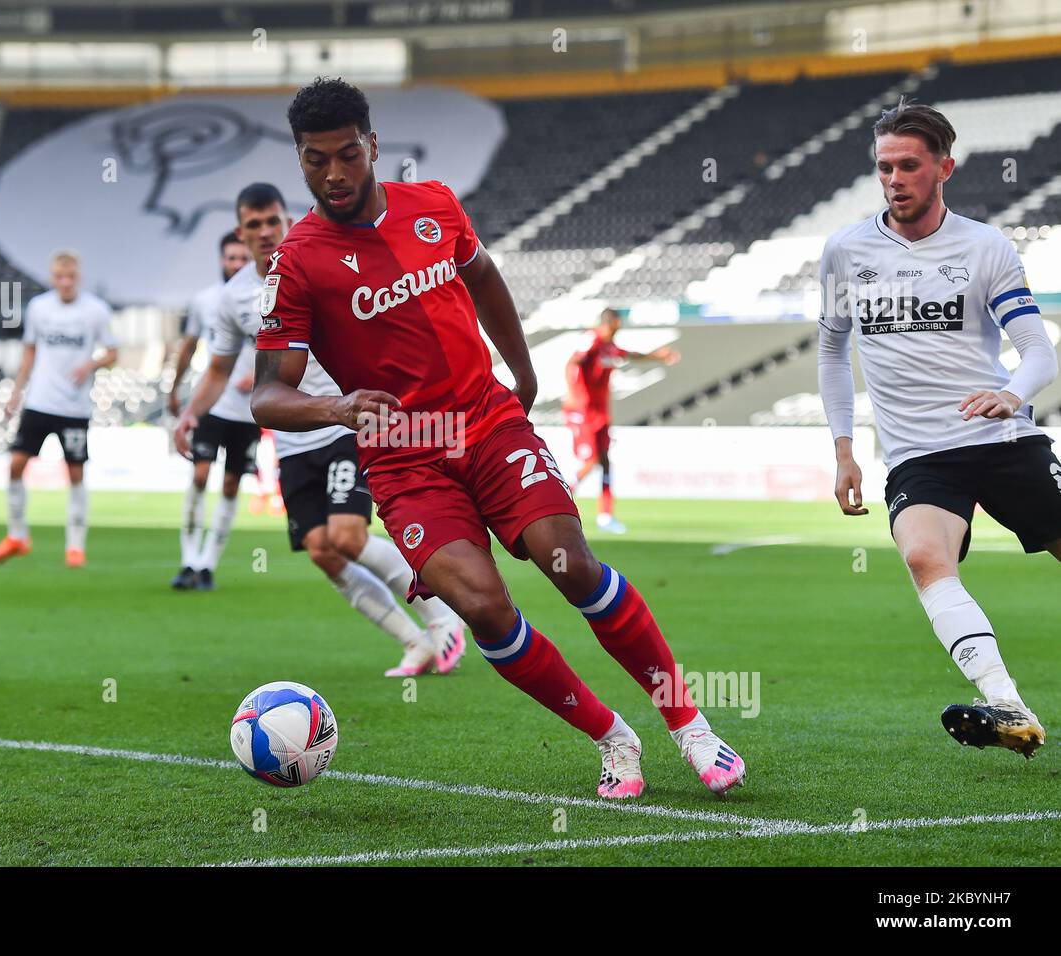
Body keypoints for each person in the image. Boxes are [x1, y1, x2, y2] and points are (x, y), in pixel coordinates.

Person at [250, 78, 746, 797]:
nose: (333, 174)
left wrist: (522, 371)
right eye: (314, 159)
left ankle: (690, 726)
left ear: (373, 146)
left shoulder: (435, 206)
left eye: (347, 155)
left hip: (485, 421)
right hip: (404, 460)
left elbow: (483, 278)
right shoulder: (296, 262)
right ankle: (613, 738)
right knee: (483, 607)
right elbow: (268, 392)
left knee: (569, 564)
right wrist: (336, 408)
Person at [818, 98, 1059, 758]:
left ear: (944, 168)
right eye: (884, 167)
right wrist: (843, 449)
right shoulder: (845, 252)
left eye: (909, 166)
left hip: (1002, 439)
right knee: (925, 556)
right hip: (920, 453)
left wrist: (1011, 395)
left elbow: (1039, 350)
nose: (894, 179)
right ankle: (1008, 707)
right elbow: (833, 350)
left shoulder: (985, 247)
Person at [176, 182, 465, 676]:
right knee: (321, 552)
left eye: (273, 222)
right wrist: (189, 412)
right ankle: (413, 641)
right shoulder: (232, 298)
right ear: (241, 232)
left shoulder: (317, 265)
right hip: (292, 440)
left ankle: (443, 618)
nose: (266, 233)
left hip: (343, 423)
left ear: (286, 222)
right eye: (254, 225)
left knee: (348, 537)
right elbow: (220, 370)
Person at [0, 250, 118, 568]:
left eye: (71, 277)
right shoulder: (39, 308)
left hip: (74, 407)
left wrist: (91, 363)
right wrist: (16, 392)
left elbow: (113, 352)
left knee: (74, 474)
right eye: (60, 277)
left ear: (79, 277)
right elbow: (29, 352)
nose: (65, 283)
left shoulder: (96, 311)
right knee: (15, 466)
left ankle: (75, 546)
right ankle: (17, 535)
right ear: (52, 278)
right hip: (40, 402)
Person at [168, 232, 256, 591]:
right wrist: (175, 390)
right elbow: (188, 348)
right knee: (201, 476)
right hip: (213, 403)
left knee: (232, 483)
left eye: (241, 258)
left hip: (249, 411)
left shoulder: (264, 296)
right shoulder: (205, 301)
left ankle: (208, 565)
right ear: (221, 259)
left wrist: (261, 374)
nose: (235, 264)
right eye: (230, 258)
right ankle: (188, 560)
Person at [564, 307, 679, 533]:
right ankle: (562, 494)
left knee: (605, 461)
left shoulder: (609, 346)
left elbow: (628, 355)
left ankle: (606, 517)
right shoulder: (592, 339)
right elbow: (573, 363)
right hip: (582, 410)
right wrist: (575, 395)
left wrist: (658, 356)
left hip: (599, 412)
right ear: (611, 322)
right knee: (592, 460)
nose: (619, 327)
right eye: (618, 323)